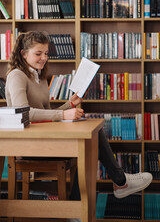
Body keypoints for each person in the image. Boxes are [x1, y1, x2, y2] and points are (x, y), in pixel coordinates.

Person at [5, 31, 152, 222]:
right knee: (89, 141)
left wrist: (70, 105)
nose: (43, 58)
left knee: (91, 136)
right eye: (38, 53)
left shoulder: (39, 76)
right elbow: (24, 113)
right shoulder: (17, 75)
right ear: (24, 54)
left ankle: (85, 205)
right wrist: (63, 114)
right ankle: (119, 182)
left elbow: (44, 114)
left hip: (44, 139)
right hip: (29, 144)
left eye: (46, 53)